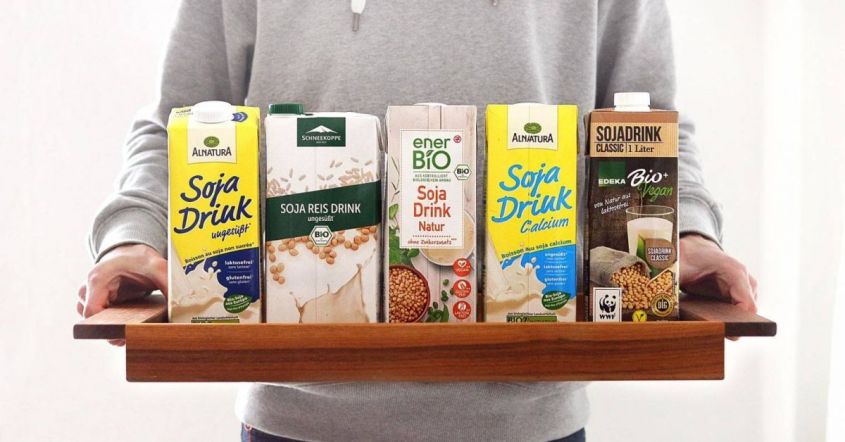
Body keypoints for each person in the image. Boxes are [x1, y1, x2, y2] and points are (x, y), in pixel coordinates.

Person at [78, 1, 758, 441]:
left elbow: (645, 122)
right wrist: (133, 237)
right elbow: (181, 122)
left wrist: (687, 235)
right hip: (299, 414)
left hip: (528, 414)